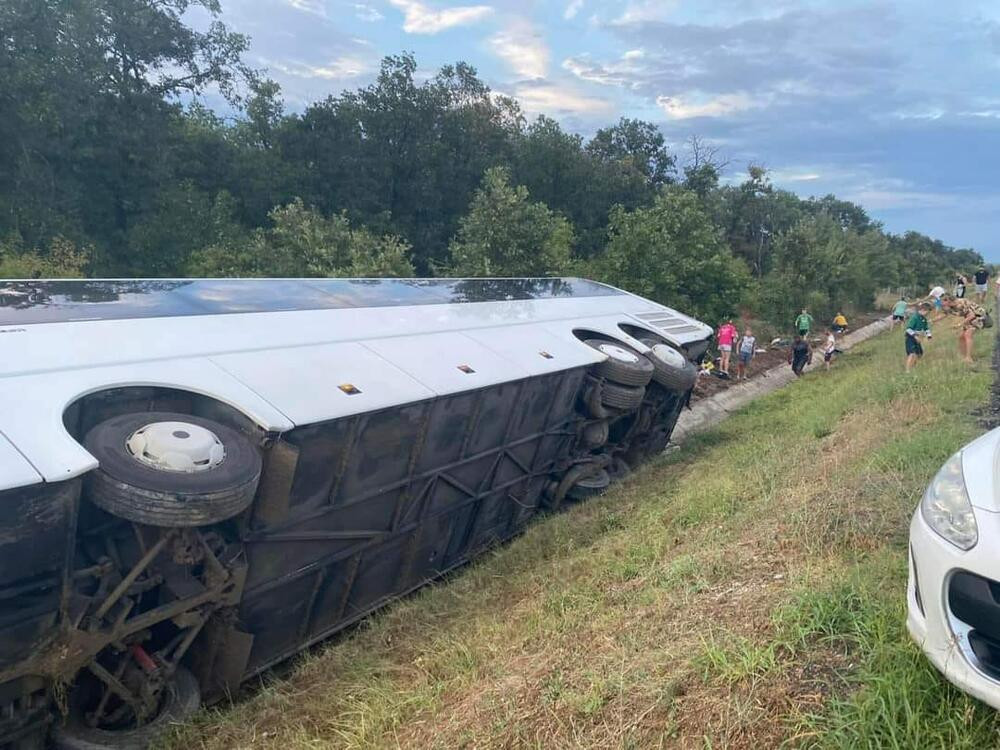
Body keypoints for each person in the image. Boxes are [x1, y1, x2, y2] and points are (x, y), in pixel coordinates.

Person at [944, 295, 987, 365]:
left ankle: (968, 358)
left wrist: (960, 324)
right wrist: (931, 321)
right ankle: (964, 356)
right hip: (970, 319)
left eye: (944, 302)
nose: (943, 304)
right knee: (961, 337)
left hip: (978, 317)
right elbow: (944, 315)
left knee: (967, 335)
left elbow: (972, 315)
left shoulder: (961, 303)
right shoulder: (952, 307)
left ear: (950, 301)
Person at [904, 302, 932, 372]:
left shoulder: (924, 319)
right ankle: (907, 370)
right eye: (927, 312)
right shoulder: (915, 317)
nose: (927, 314)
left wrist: (929, 336)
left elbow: (926, 328)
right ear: (923, 310)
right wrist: (915, 336)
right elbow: (908, 329)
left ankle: (913, 367)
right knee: (912, 353)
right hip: (910, 338)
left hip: (918, 338)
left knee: (919, 354)